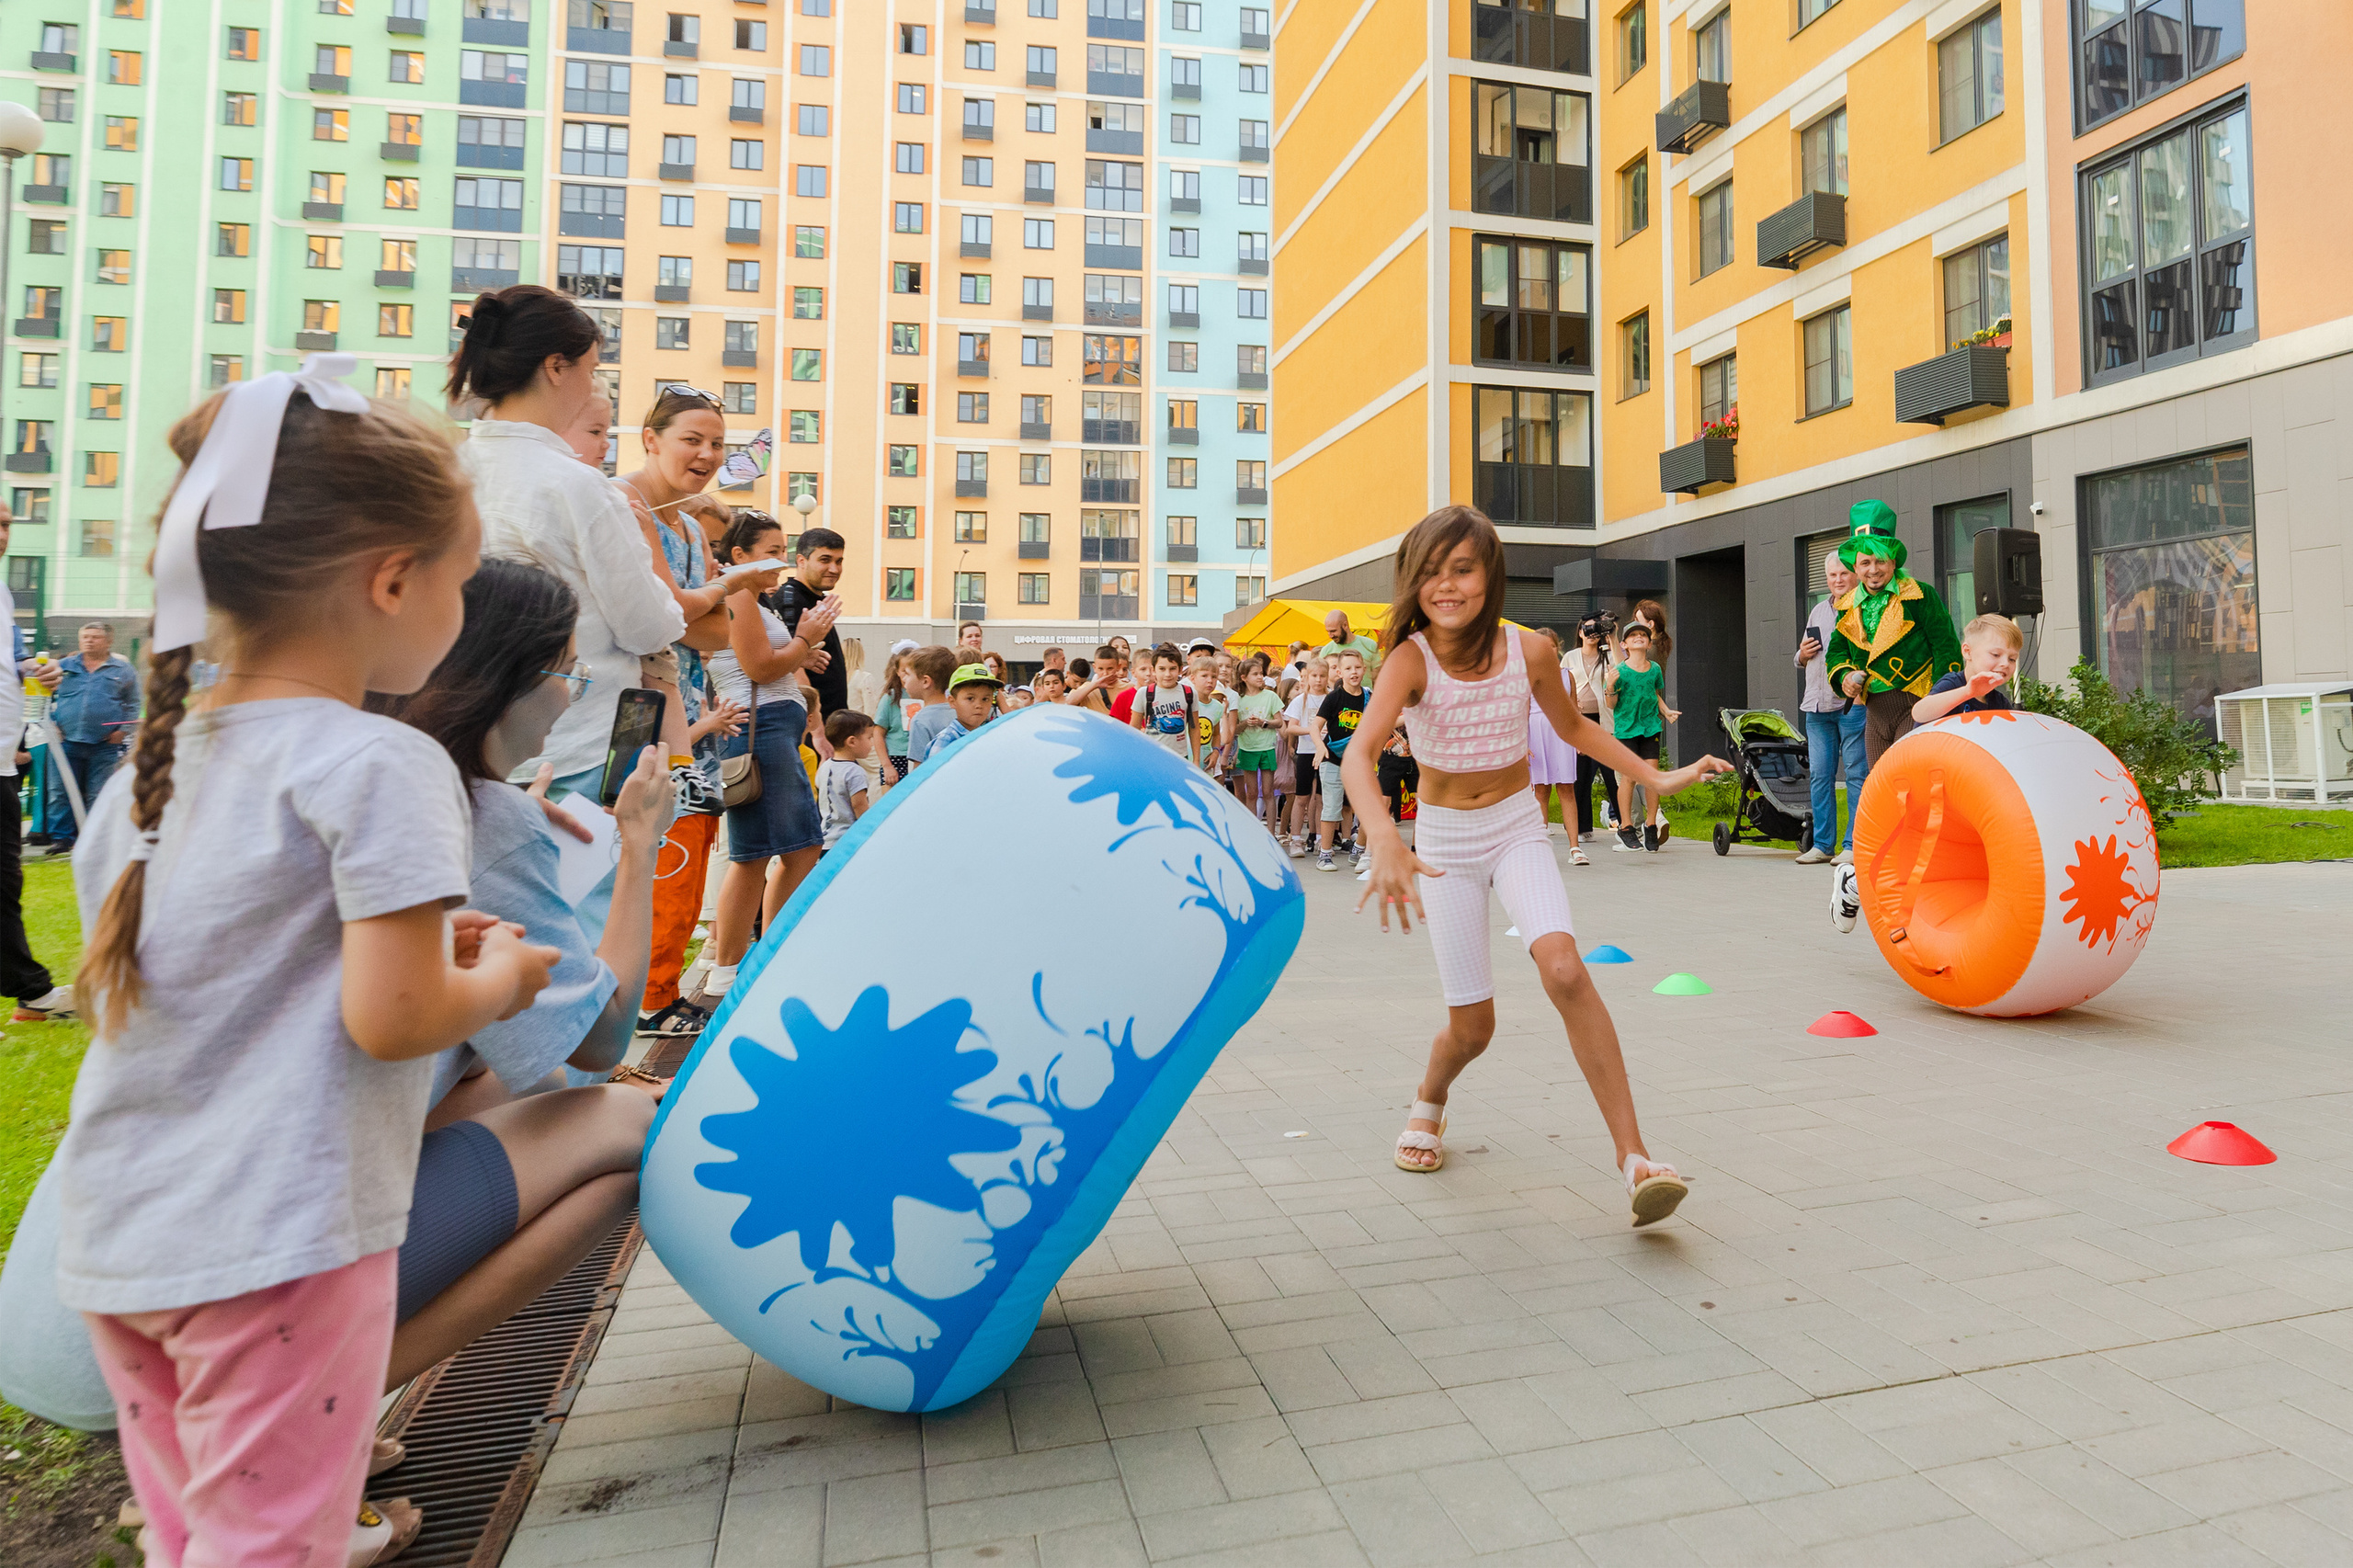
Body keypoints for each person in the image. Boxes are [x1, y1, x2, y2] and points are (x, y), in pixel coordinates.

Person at [57, 362, 561, 1566]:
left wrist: (418, 945)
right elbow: (398, 1017)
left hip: (124, 1234)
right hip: (279, 1241)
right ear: (392, 580)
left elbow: (223, 965)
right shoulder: (379, 763)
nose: (460, 607)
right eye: (459, 578)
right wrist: (499, 982)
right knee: (273, 1546)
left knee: (195, 1534)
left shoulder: (144, 780)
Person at [1342, 506, 1729, 1223]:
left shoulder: (1530, 652)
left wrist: (1656, 777)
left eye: (1462, 569)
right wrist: (1385, 837)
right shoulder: (1410, 660)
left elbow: (1575, 727)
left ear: (1491, 575)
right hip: (1446, 845)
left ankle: (1635, 1159)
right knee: (1473, 1029)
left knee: (1564, 968)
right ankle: (1430, 1098)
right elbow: (1357, 755)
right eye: (1431, 572)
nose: (1446, 585)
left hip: (1517, 826)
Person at [372, 558, 669, 1389]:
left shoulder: (386, 779)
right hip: (275, 1253)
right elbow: (601, 1040)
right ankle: (331, 1404)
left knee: (524, 1078)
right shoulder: (479, 815)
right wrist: (639, 846)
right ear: (513, 679)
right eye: (570, 673)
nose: (573, 698)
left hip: (123, 1253)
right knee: (626, 1128)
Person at [448, 286, 687, 801]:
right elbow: (649, 627)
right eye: (593, 369)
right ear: (557, 367)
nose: (593, 384)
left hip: (472, 743)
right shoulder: (579, 487)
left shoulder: (445, 472)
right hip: (586, 748)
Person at [702, 511, 832, 1004]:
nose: (781, 562)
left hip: (770, 728)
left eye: (783, 551)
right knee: (773, 852)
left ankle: (758, 957)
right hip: (762, 729)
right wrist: (805, 640)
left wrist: (801, 652)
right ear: (739, 555)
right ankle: (740, 965)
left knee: (779, 851)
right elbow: (758, 667)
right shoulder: (738, 593)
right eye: (772, 552)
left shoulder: (753, 597)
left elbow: (766, 662)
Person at [1824, 500, 1963, 767]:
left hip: (1916, 705)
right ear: (1855, 568)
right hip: (1875, 712)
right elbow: (1837, 652)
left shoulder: (1920, 595)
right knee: (1879, 782)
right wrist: (1844, 676)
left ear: (1893, 562)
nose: (1873, 569)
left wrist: (1939, 701)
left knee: (1906, 774)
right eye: (1865, 562)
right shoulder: (1847, 606)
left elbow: (1946, 649)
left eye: (1880, 561)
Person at [0, 503, 71, 1024]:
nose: (2, 534)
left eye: (5, 524)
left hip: (3, 760)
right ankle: (31, 990)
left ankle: (30, 992)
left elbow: (13, 660)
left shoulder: (3, 594)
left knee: (5, 882)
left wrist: (35, 669)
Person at [40, 621, 141, 858]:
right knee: (60, 791)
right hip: (65, 741)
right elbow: (43, 695)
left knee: (100, 794)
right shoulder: (63, 667)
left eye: (95, 637)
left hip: (105, 744)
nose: (89, 641)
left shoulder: (123, 670)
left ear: (109, 641)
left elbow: (134, 703)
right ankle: (61, 839)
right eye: (85, 637)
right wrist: (51, 723)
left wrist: (122, 731)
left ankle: (94, 839)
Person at [1795, 552, 1868, 866]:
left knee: (1856, 775)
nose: (1837, 580)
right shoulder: (1818, 610)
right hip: (1816, 706)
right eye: (1832, 575)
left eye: (1843, 574)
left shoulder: (1865, 609)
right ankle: (1823, 845)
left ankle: (1853, 845)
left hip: (1851, 705)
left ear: (1856, 575)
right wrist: (1801, 653)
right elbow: (1800, 659)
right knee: (1820, 776)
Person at [1604, 622, 1675, 852]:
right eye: (1633, 635)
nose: (1638, 637)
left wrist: (1666, 711)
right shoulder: (1619, 671)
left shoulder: (1654, 669)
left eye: (1643, 635)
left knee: (1651, 778)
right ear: (1624, 645)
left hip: (1650, 728)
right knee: (1629, 778)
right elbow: (1610, 704)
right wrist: (1610, 685)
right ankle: (1626, 827)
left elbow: (1654, 694)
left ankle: (1651, 825)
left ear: (1649, 643)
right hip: (1626, 730)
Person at [771, 527, 849, 718]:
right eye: (825, 560)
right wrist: (815, 725)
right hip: (811, 724)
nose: (834, 569)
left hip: (829, 721)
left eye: (839, 561)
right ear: (801, 561)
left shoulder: (815, 599)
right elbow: (793, 668)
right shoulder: (791, 600)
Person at [1524, 626, 1584, 864]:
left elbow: (1574, 710)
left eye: (1550, 647)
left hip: (1562, 734)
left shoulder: (1567, 675)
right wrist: (1523, 742)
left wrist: (1580, 739)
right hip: (1536, 733)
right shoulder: (1527, 676)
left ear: (1557, 647)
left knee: (1566, 788)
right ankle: (1540, 849)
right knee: (1540, 791)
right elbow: (1523, 710)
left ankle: (1575, 848)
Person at [1563, 612, 1617, 844]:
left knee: (1612, 772)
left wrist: (1612, 636)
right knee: (1581, 774)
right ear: (1580, 632)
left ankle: (1625, 824)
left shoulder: (1608, 655)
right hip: (1580, 720)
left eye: (1596, 629)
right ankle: (1582, 827)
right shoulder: (1570, 656)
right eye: (1587, 628)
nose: (1591, 633)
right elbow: (1561, 685)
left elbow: (1621, 670)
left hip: (1604, 720)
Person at [1314, 648, 1369, 871]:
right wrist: (1320, 747)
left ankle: (1359, 849)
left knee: (1367, 808)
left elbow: (1383, 722)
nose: (1353, 672)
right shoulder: (1334, 698)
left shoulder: (1369, 697)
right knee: (1331, 808)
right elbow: (1315, 727)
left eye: (1357, 667)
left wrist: (1409, 717)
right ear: (1339, 672)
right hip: (1333, 759)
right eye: (1348, 668)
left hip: (1359, 761)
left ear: (1364, 669)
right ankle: (1325, 855)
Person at [1913, 613, 2021, 723]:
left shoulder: (2000, 702)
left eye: (2012, 659)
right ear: (1967, 652)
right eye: (1996, 655)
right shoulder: (1952, 684)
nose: (2005, 664)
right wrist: (1968, 692)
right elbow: (1919, 714)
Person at [818, 710, 888, 848]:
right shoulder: (855, 772)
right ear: (852, 741)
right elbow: (859, 806)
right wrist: (872, 831)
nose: (872, 744)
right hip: (847, 841)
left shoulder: (825, 766)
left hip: (825, 839)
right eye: (869, 738)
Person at [1279, 658, 1328, 856]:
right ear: (1306, 677)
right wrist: (1311, 730)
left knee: (1322, 798)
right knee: (1302, 797)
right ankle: (1296, 839)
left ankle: (1321, 839)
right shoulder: (1301, 700)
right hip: (1306, 752)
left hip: (1327, 752)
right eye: (1314, 676)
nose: (1318, 680)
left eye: (1322, 676)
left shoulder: (1331, 698)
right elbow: (1291, 727)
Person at [1231, 656, 1282, 835]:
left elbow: (1279, 722)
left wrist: (1263, 722)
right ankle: (1252, 833)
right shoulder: (1238, 699)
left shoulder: (1270, 696)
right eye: (1255, 674)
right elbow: (1234, 729)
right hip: (1247, 748)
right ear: (1244, 677)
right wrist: (1246, 723)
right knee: (1251, 793)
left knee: (1268, 792)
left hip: (1267, 747)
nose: (1260, 677)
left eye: (1261, 673)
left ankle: (1271, 833)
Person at [1129, 643, 1198, 761]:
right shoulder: (1144, 693)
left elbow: (1194, 729)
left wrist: (1196, 760)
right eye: (1162, 669)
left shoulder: (1189, 693)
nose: (1167, 674)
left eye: (1172, 668)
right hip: (1151, 757)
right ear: (1153, 670)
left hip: (1180, 757)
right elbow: (1133, 729)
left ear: (1180, 669)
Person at [926, 663, 1002, 763]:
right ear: (952, 701)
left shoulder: (987, 736)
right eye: (970, 698)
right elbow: (936, 771)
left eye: (985, 699)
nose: (979, 705)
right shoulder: (947, 740)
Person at [903, 645, 962, 766]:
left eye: (907, 674)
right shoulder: (960, 711)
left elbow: (920, 766)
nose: (904, 679)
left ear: (925, 681)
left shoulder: (920, 720)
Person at [874, 640, 919, 779]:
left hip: (919, 756)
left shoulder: (925, 694)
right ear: (897, 672)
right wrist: (886, 765)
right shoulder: (890, 698)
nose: (908, 675)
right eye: (904, 671)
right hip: (895, 758)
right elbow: (878, 733)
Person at [1315, 608, 1381, 676]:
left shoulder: (1370, 645)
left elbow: (1378, 675)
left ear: (1345, 625)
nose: (1330, 636)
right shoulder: (1326, 651)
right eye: (1328, 631)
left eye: (1333, 631)